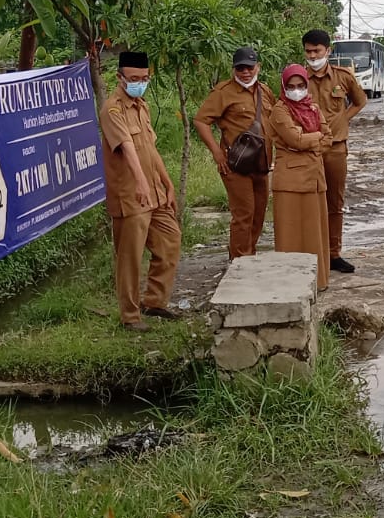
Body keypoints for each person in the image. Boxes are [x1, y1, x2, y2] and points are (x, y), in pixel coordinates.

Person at [98, 51, 182, 331]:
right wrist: (142, 182)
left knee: (170, 240)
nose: (139, 83)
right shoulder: (112, 110)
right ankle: (130, 317)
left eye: (144, 78)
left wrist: (166, 181)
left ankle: (154, 302)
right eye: (134, 79)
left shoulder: (141, 105)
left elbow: (149, 147)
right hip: (131, 195)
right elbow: (127, 147)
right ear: (120, 78)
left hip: (154, 192)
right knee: (130, 258)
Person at [192, 46, 276, 259]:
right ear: (233, 69)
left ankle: (250, 255)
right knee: (243, 214)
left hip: (262, 164)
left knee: (258, 214)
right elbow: (201, 120)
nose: (245, 72)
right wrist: (216, 153)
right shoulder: (223, 92)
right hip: (235, 165)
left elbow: (274, 120)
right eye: (240, 68)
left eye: (249, 67)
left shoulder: (264, 91)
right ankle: (239, 261)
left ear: (258, 67)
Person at [302, 29, 368, 274]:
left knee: (334, 202)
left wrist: (343, 119)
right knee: (309, 202)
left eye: (317, 51)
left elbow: (360, 101)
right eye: (308, 51)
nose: (313, 55)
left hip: (336, 148)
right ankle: (312, 251)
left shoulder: (343, 77)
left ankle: (333, 253)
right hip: (308, 150)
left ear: (328, 51)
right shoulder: (298, 79)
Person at [269, 64, 333, 290]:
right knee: (290, 233)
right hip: (290, 181)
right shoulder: (280, 110)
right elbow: (294, 140)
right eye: (291, 86)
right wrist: (314, 137)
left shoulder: (313, 108)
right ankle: (291, 285)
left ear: (307, 85)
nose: (296, 90)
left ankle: (318, 282)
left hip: (315, 178)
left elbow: (329, 138)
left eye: (300, 86)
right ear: (284, 87)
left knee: (314, 232)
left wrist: (308, 139)